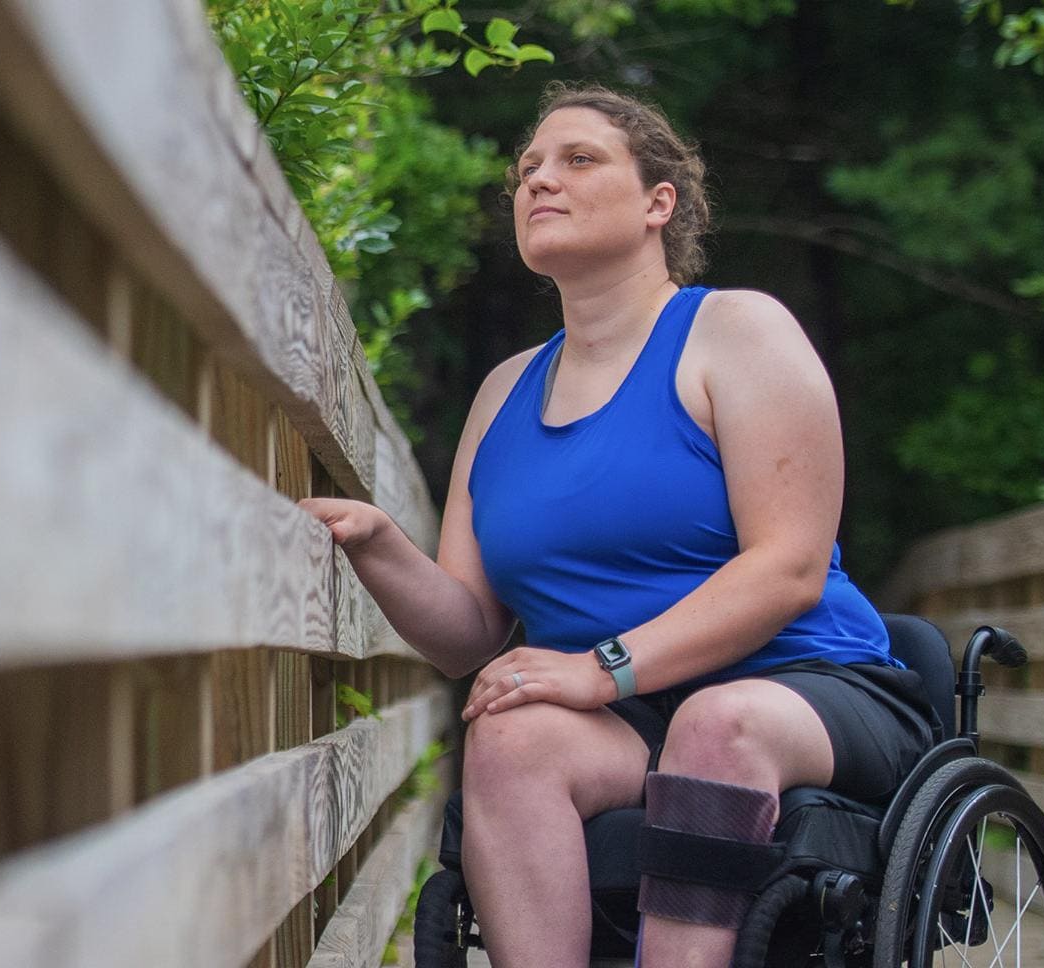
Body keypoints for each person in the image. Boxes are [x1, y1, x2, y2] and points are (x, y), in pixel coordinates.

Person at [299, 82, 937, 968]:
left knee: (717, 723)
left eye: (578, 160)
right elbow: (468, 636)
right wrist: (376, 542)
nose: (538, 182)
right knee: (509, 736)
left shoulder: (737, 334)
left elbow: (787, 567)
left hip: (805, 687)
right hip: (632, 718)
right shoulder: (503, 394)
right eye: (527, 171)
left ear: (656, 203)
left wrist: (601, 670)